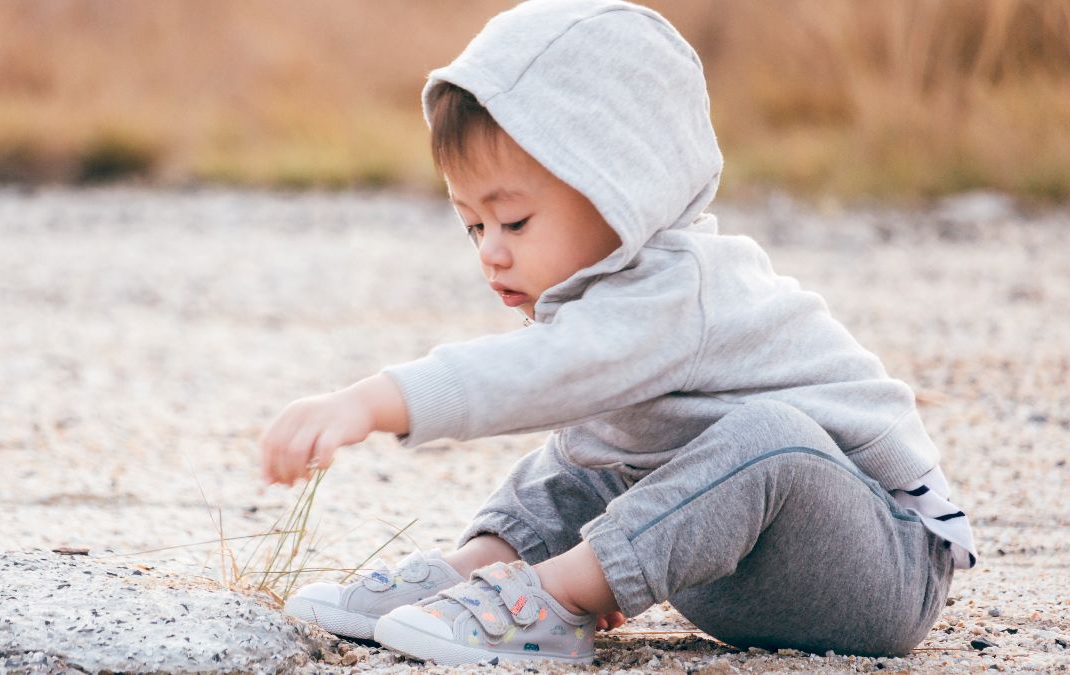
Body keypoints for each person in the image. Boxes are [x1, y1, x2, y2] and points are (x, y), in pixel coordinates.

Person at [260, 0, 977, 666]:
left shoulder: (678, 289)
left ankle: (555, 599)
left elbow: (536, 371)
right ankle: (476, 567)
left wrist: (370, 401)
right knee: (594, 445)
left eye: (513, 221)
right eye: (472, 224)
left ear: (624, 191)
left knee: (767, 436)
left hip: (881, 566)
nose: (491, 251)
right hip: (720, 559)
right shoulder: (605, 298)